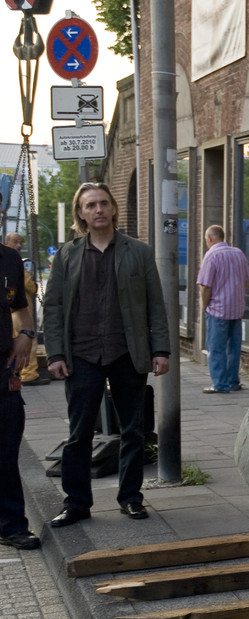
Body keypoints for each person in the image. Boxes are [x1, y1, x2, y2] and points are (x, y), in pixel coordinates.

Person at [43, 182, 171, 526]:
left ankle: (130, 497)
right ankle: (76, 504)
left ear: (113, 209)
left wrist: (161, 348)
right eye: (90, 205)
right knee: (79, 434)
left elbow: (154, 304)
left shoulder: (138, 253)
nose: (98, 210)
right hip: (82, 354)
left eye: (103, 203)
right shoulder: (67, 255)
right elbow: (53, 307)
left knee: (133, 430)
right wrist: (54, 353)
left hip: (128, 352)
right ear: (80, 214)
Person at [0, 237, 40, 550]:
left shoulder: (10, 259)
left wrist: (26, 334)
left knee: (7, 449)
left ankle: (11, 525)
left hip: (3, 369)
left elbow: (20, 311)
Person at [196, 224, 249, 394]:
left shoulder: (211, 256)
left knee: (216, 348)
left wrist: (204, 306)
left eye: (206, 239)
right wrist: (239, 295)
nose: (206, 242)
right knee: (233, 348)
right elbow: (248, 279)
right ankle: (233, 382)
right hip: (236, 309)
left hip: (217, 310)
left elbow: (205, 286)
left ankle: (219, 384)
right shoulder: (238, 254)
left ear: (210, 238)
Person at [3, 232, 48, 386]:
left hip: (16, 314)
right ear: (7, 242)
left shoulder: (12, 261)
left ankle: (21, 372)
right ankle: (29, 374)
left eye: (21, 242)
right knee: (31, 344)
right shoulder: (16, 264)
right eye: (15, 242)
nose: (19, 246)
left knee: (22, 343)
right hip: (17, 315)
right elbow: (29, 285)